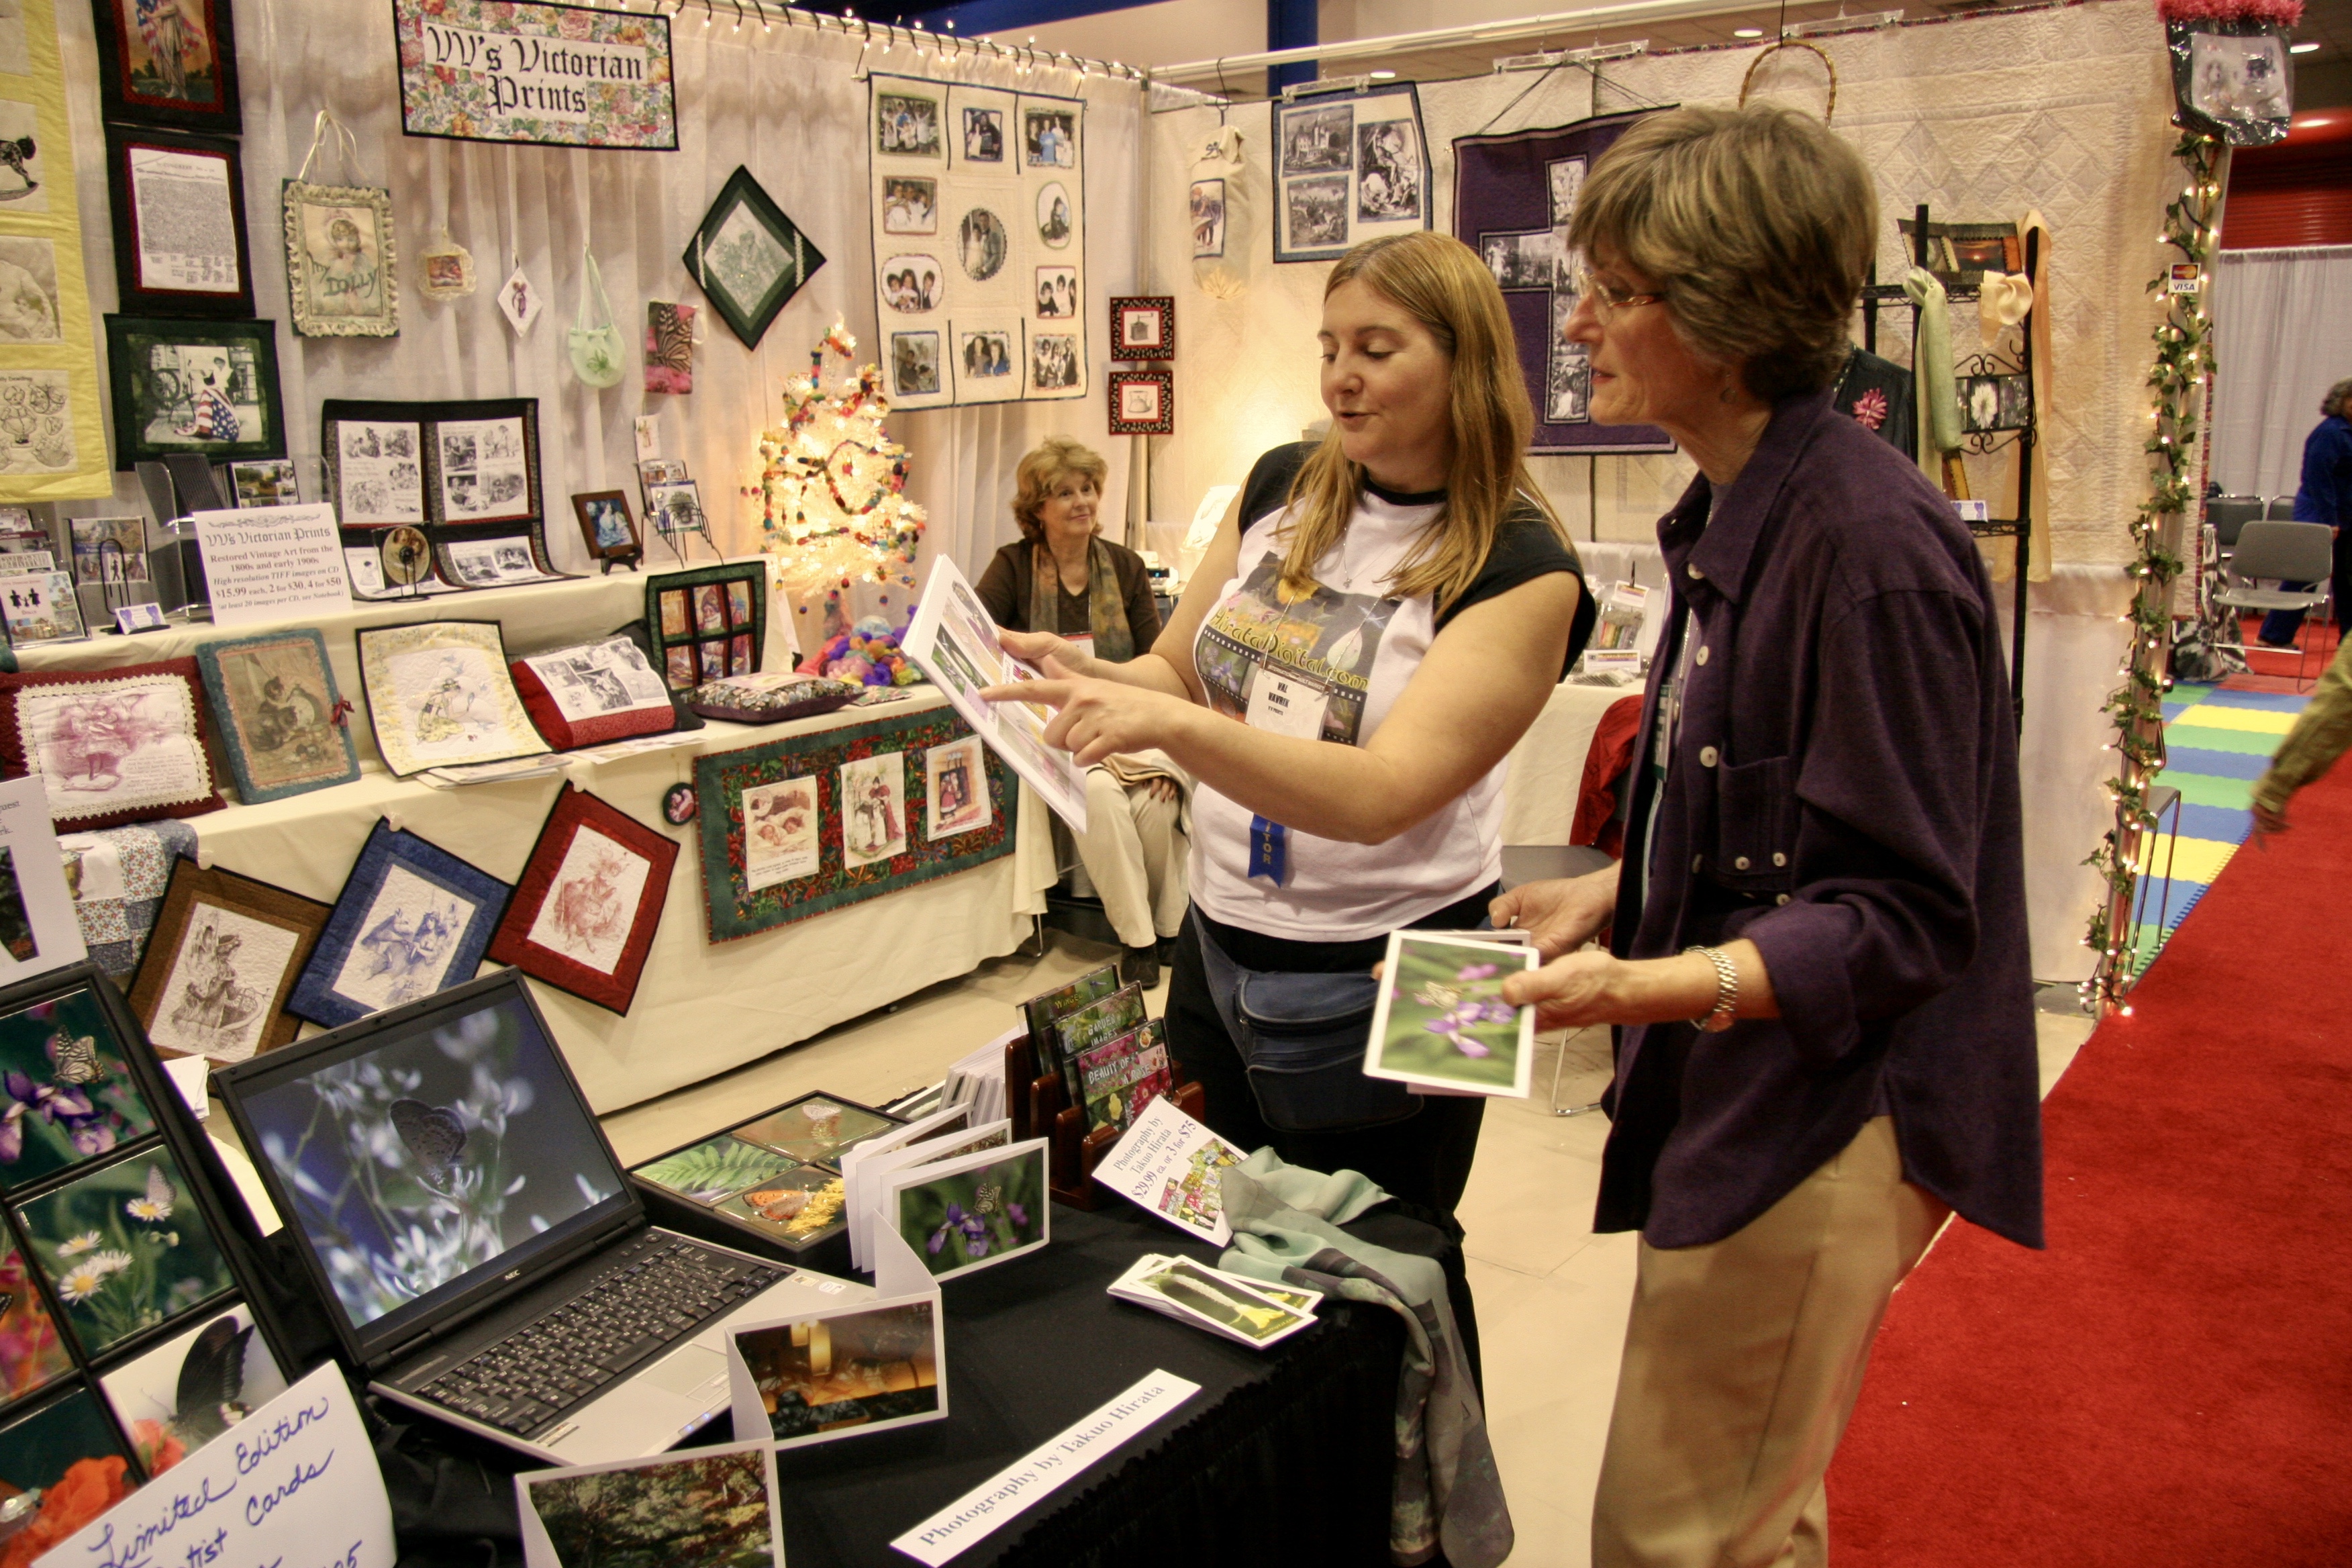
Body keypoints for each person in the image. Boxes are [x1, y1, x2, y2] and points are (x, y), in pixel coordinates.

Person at [1487, 106, 2042, 1567]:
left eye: (1616, 292)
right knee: (1747, 1509)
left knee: (1676, 1535)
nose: (1580, 325)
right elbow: (1779, 806)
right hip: (1771, 1090)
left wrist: (1645, 985)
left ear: (1723, 320)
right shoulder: (1754, 501)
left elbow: (1906, 914)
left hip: (1827, 1111)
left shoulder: (1863, 550)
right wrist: (1622, 892)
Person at [979, 230, 1594, 1216]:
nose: (1341, 377)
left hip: (1435, 957)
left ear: (1466, 362)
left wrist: (1166, 726)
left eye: (1376, 350)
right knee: (1213, 1225)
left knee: (1397, 1252)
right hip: (1222, 936)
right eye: (1329, 347)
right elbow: (1178, 669)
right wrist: (1089, 674)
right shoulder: (1282, 483)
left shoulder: (1525, 566)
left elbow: (1381, 798)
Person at [976, 438, 1182, 988]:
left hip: (1125, 716)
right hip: (1051, 727)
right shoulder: (1013, 565)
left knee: (1159, 801)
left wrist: (1161, 748)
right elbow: (981, 638)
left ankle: (1170, 930)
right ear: (1038, 508)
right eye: (1065, 493)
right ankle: (1138, 940)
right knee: (1100, 795)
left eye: (1088, 489)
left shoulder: (1126, 565)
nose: (1082, 502)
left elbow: (1155, 662)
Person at [2256, 377, 2352, 647]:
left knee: (2346, 580)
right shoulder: (2331, 432)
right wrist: (2330, 521)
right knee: (2303, 575)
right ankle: (2273, 636)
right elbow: (2319, 479)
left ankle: (2348, 642)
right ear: (2340, 402)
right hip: (2320, 514)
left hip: (2344, 515)